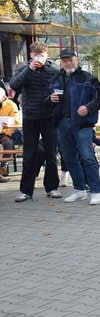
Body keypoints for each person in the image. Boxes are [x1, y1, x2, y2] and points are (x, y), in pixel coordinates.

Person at [47, 48, 100, 205]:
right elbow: (46, 102)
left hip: (82, 124)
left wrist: (88, 107)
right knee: (69, 158)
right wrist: (50, 99)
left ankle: (95, 191)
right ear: (61, 63)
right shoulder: (56, 79)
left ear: (77, 59)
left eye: (70, 60)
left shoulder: (88, 78)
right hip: (62, 122)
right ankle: (79, 190)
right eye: (64, 61)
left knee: (87, 157)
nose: (67, 63)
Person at [9, 41, 62, 202]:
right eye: (37, 55)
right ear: (31, 55)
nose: (40, 58)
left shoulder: (52, 71)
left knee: (51, 154)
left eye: (43, 55)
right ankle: (26, 190)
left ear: (47, 56)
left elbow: (59, 90)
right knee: (29, 155)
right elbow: (13, 85)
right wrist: (29, 68)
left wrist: (53, 98)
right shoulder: (23, 70)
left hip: (48, 117)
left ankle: (52, 188)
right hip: (30, 117)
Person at [0, 87, 21, 177]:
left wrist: (8, 135)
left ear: (4, 97)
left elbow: (15, 121)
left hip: (6, 133)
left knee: (8, 143)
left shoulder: (11, 105)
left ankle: (3, 166)